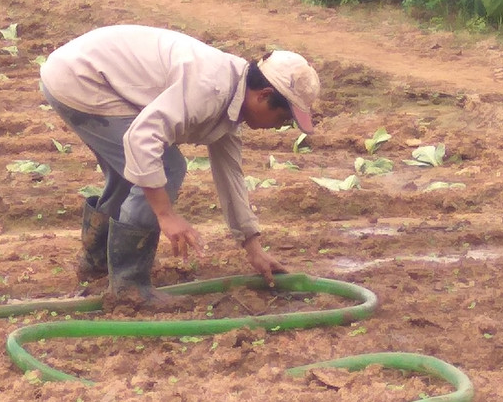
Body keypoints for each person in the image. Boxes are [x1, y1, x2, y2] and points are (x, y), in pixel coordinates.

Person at [39, 24, 321, 307]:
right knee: (167, 165)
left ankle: (98, 262)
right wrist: (165, 214)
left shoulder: (232, 99)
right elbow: (143, 138)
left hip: (77, 72)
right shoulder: (211, 88)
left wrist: (253, 247)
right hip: (81, 78)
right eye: (283, 118)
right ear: (263, 95)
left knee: (132, 173)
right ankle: (129, 288)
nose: (279, 127)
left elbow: (230, 176)